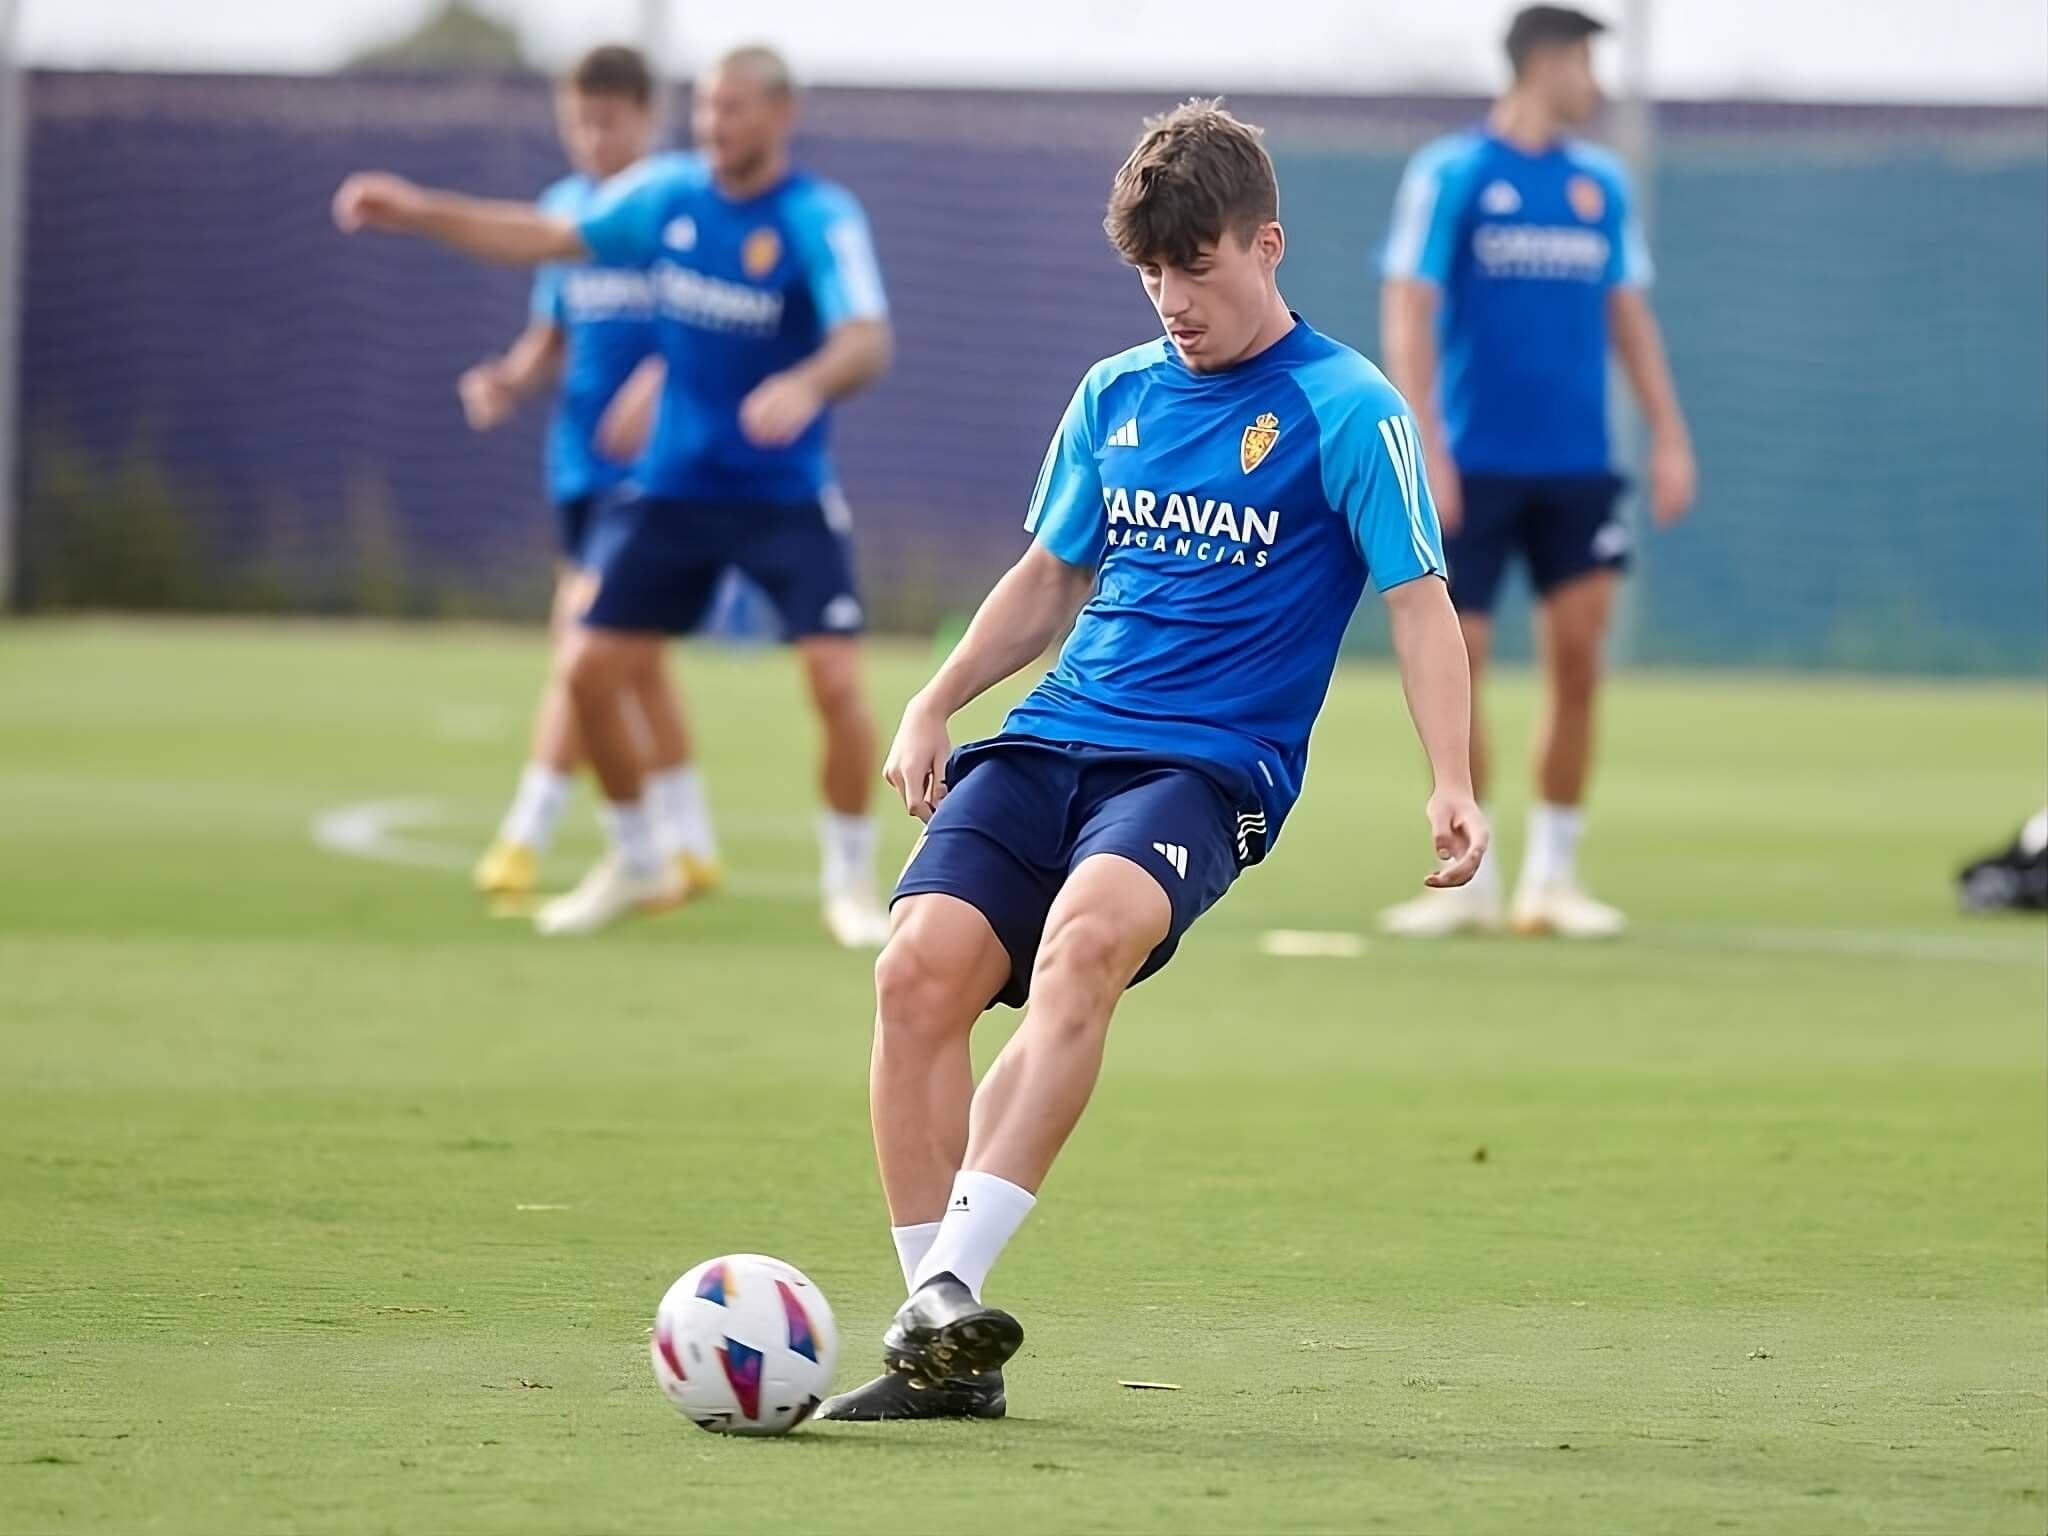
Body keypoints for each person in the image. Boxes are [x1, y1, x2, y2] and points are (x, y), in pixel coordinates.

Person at [816, 100, 1486, 1423]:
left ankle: (944, 1292)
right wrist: (936, 701)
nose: (1174, 298)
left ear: (1266, 243)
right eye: (1152, 272)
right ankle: (941, 1346)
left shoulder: (1348, 409)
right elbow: (1049, 574)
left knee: (1083, 943)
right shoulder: (1115, 395)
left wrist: (1451, 777)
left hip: (1203, 769)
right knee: (916, 973)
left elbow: (1418, 601)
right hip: (1058, 734)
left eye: (1198, 265)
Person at [334, 45, 896, 946]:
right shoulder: (668, 194)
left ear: (780, 117)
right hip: (671, 490)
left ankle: (850, 881)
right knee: (588, 670)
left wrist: (809, 382)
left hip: (782, 494)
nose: (717, 125)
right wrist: (420, 213)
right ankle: (638, 853)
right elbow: (548, 238)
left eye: (737, 109)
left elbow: (867, 339)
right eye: (708, 108)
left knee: (834, 680)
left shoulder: (815, 216)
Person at [1376, 4, 1696, 940]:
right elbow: (1410, 305)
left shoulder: (1601, 184)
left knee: (1578, 660)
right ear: (1545, 63)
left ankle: (1554, 878)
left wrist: (1669, 433)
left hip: (1576, 467)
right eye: (1585, 64)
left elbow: (1628, 315)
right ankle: (1470, 875)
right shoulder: (1453, 172)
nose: (1595, 84)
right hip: (1470, 465)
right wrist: (1424, 444)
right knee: (1460, 665)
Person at [463, 45, 720, 906]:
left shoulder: (677, 206)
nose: (592, 137)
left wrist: (658, 384)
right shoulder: (564, 212)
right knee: (632, 667)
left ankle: (525, 836)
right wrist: (507, 378)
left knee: (581, 644)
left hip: (655, 475)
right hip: (576, 466)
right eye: (578, 121)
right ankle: (693, 846)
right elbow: (554, 330)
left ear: (648, 120)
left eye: (608, 120)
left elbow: (713, 328)